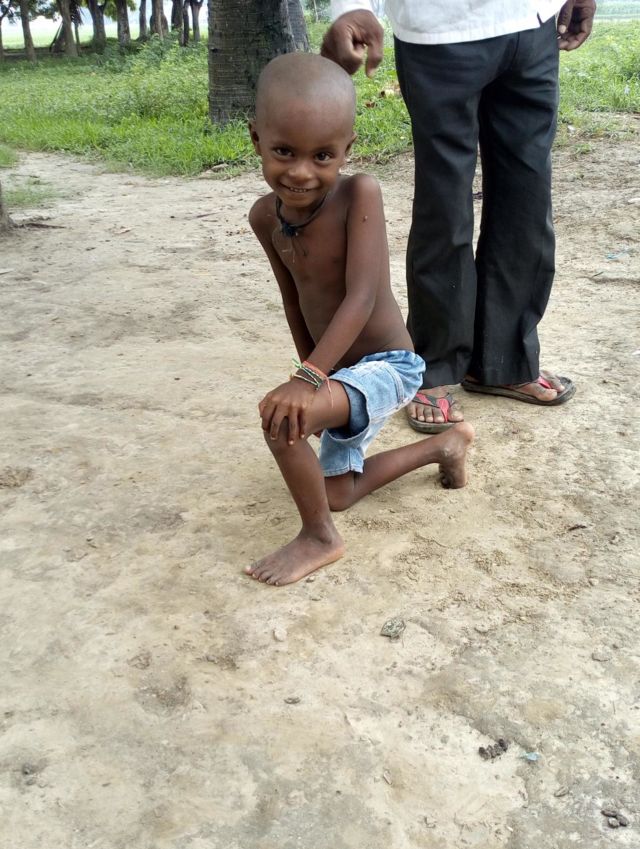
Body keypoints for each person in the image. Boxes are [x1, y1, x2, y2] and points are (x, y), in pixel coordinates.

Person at [245, 53, 474, 586]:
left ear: (347, 149)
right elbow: (293, 300)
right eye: (284, 151)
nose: (301, 172)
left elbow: (363, 296)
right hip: (338, 374)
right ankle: (444, 445)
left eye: (323, 155)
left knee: (283, 423)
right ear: (256, 139)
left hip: (389, 367)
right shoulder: (263, 217)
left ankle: (319, 539)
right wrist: (312, 371)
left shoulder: (358, 194)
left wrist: (308, 381)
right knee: (337, 493)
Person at [322, 1, 596, 433]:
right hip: (439, 29)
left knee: (527, 201)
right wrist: (351, 7)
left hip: (534, 21)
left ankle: (504, 361)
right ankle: (432, 367)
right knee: (444, 208)